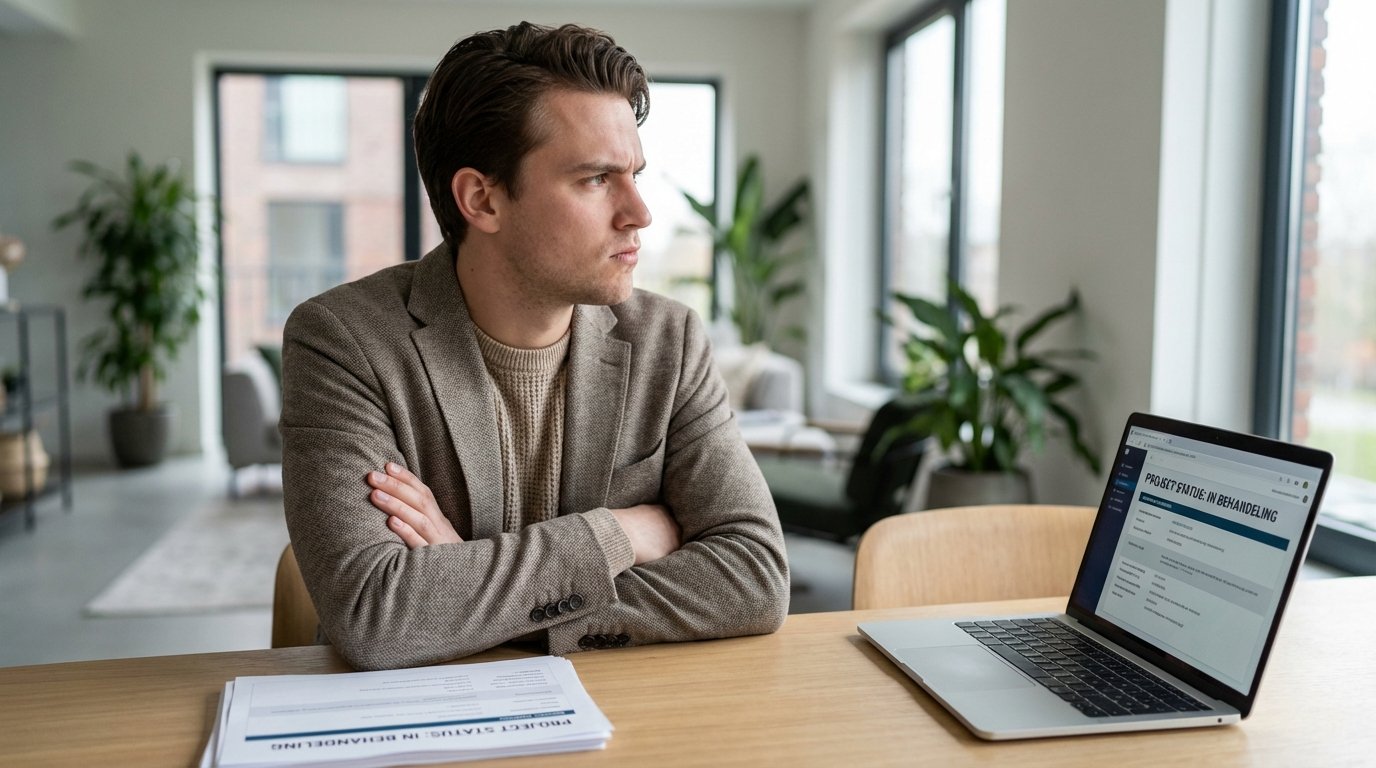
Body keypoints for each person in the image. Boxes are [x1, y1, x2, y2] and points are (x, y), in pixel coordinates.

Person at [280, 21, 790, 671]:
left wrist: (470, 593)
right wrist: (624, 532)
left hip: (627, 715)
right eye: (596, 179)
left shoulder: (671, 340)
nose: (639, 212)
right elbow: (376, 615)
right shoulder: (344, 343)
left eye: (633, 173)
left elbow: (752, 580)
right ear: (482, 199)